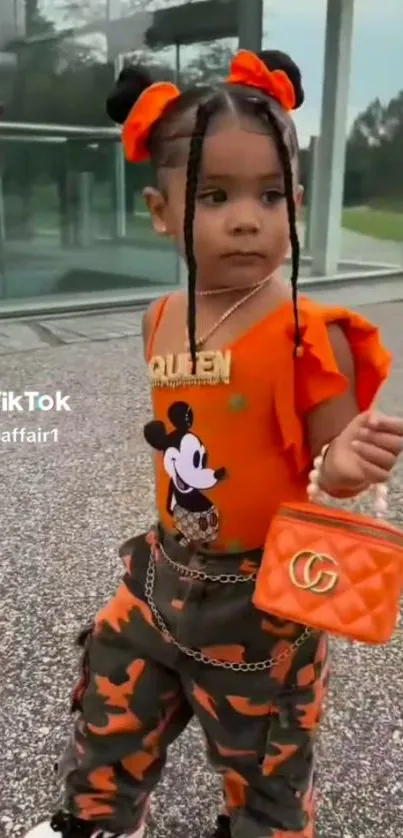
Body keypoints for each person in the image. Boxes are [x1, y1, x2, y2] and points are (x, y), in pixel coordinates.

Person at [26, 49, 403, 838]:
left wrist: (347, 459)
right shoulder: (158, 319)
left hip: (262, 599)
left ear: (295, 204)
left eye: (268, 195)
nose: (244, 218)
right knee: (110, 697)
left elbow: (330, 466)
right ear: (161, 211)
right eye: (214, 195)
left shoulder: (307, 334)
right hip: (164, 571)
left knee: (264, 750)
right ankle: (97, 818)